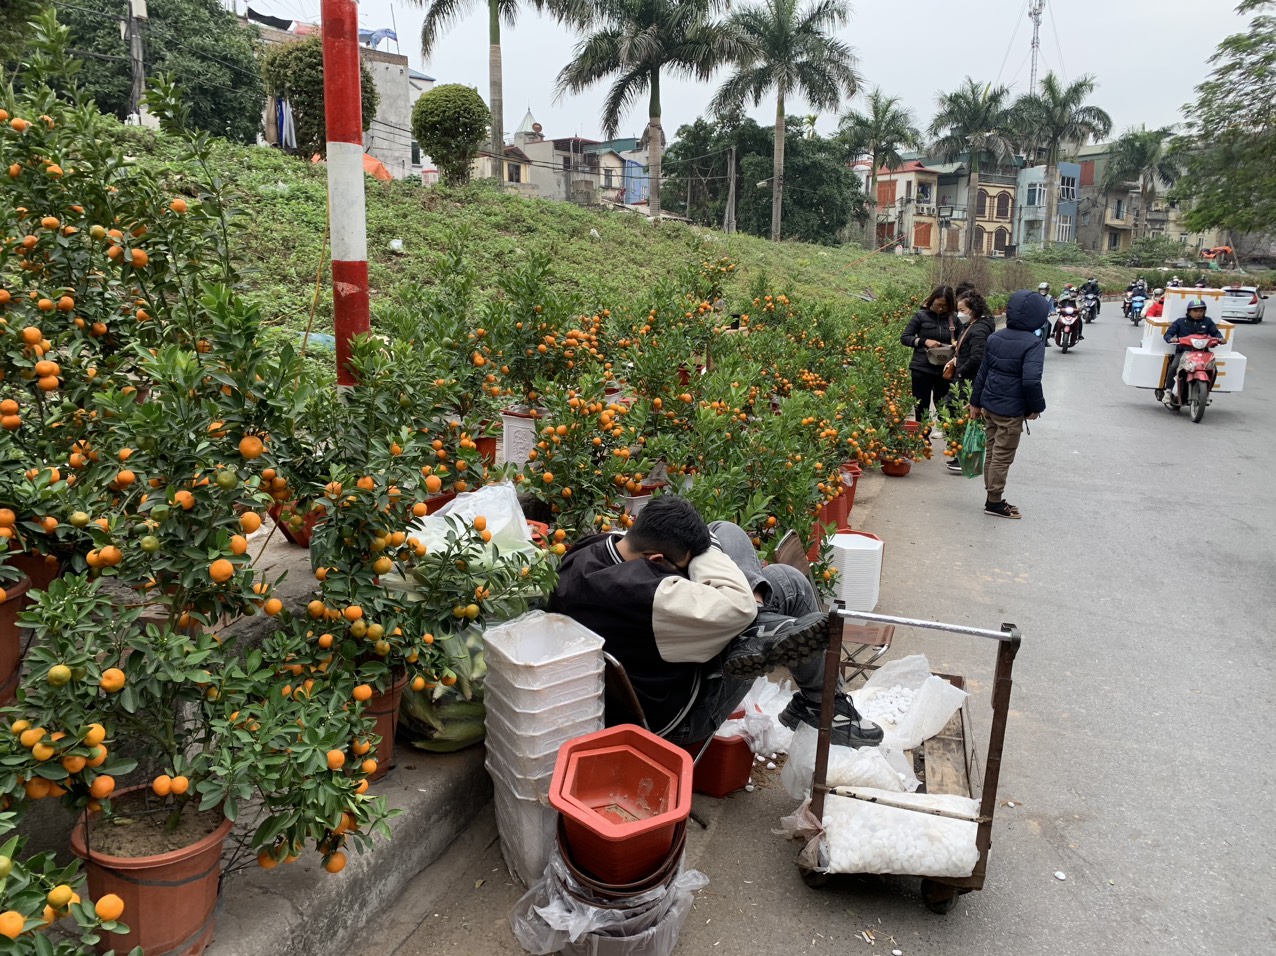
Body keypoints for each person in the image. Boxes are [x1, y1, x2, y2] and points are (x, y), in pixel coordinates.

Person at [548, 496, 884, 748]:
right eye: (681, 565)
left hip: (625, 693)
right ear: (656, 560)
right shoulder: (652, 596)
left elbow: (718, 535)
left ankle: (765, 633)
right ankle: (824, 706)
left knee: (726, 531)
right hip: (673, 720)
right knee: (789, 583)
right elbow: (740, 607)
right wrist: (708, 551)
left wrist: (701, 546)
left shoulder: (586, 552)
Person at [969, 290, 1047, 519]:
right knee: (1002, 456)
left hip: (990, 406)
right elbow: (1031, 380)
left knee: (992, 453)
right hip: (1011, 412)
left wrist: (975, 402)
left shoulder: (996, 337)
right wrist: (1037, 407)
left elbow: (982, 372)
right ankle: (994, 503)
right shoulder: (1033, 344)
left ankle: (992, 498)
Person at [946, 290, 996, 474]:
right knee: (963, 418)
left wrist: (961, 372)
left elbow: (977, 357)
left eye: (962, 309)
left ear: (972, 309)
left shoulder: (979, 329)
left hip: (968, 380)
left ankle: (964, 457)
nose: (959, 314)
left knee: (964, 418)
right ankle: (960, 455)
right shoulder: (976, 325)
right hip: (965, 377)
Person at [900, 286, 958, 429]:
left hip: (944, 370)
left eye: (945, 306)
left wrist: (956, 345)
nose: (940, 308)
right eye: (938, 304)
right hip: (922, 368)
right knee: (921, 406)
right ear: (932, 301)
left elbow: (963, 340)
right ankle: (923, 440)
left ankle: (949, 439)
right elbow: (905, 337)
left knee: (944, 406)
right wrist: (924, 341)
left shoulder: (953, 319)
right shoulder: (921, 316)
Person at [1161, 298, 1223, 402]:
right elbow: (1168, 334)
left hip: (1202, 353)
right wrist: (1171, 338)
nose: (1198, 313)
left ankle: (1207, 392)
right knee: (1174, 367)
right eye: (1195, 311)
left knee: (1213, 369)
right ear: (1189, 311)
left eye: (1201, 311)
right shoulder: (1180, 322)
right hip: (1184, 351)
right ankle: (1168, 391)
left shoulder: (1208, 321)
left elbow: (1216, 333)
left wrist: (1220, 338)